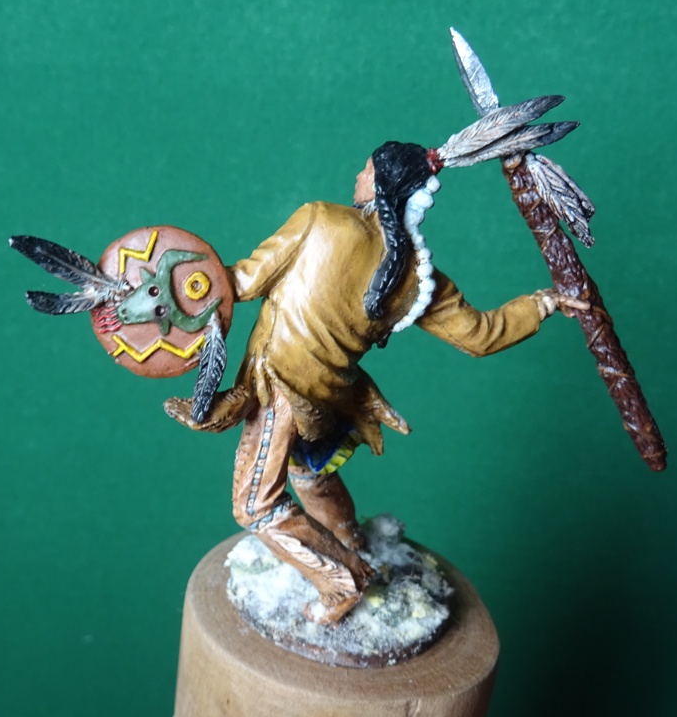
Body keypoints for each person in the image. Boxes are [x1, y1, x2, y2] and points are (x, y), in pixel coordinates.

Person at [165, 137, 587, 624]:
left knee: (255, 507)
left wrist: (170, 291)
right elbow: (480, 336)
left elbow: (239, 283)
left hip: (279, 389)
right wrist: (543, 302)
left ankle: (342, 582)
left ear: (382, 185)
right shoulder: (419, 279)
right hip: (328, 402)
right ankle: (350, 539)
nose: (357, 176)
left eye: (366, 170)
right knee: (309, 474)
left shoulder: (319, 220)